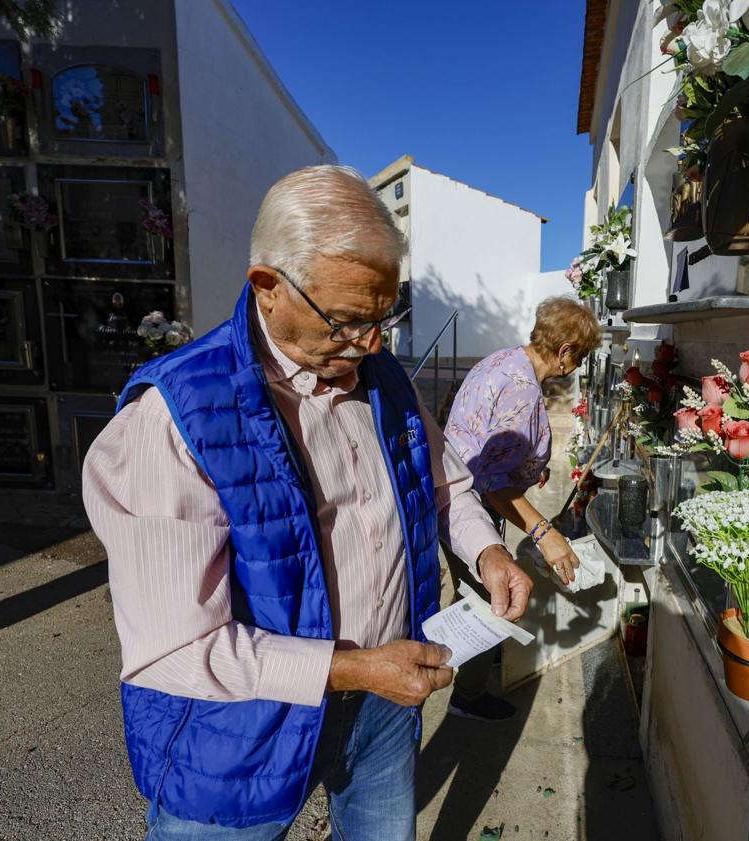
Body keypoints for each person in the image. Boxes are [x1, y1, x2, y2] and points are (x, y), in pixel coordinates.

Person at [82, 165, 533, 840]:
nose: (374, 343)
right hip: (242, 727)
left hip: (383, 704)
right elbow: (172, 650)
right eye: (350, 320)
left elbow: (446, 485)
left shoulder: (382, 379)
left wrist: (486, 546)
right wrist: (351, 668)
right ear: (269, 289)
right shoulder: (175, 416)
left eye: (386, 316)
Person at [441, 297, 601, 720]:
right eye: (580, 355)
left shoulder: (504, 360)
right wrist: (546, 534)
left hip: (456, 494)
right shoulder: (523, 389)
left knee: (479, 593)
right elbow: (492, 483)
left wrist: (531, 468)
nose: (578, 365)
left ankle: (479, 656)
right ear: (566, 350)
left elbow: (497, 446)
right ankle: (467, 696)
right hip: (467, 505)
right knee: (491, 598)